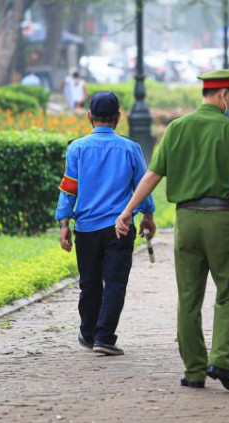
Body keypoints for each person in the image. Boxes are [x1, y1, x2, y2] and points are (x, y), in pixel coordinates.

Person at [115, 66, 229, 393]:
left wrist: (127, 212)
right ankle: (222, 360)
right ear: (225, 94)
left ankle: (194, 370)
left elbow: (152, 176)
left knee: (188, 297)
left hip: (186, 222)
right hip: (222, 220)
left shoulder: (176, 128)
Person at [56, 91, 156, 356]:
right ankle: (104, 336)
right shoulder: (130, 148)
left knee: (89, 282)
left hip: (86, 229)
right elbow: (141, 188)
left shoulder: (76, 148)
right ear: (118, 118)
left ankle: (88, 333)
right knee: (114, 282)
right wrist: (148, 215)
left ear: (89, 115)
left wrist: (64, 222)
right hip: (119, 228)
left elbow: (69, 189)